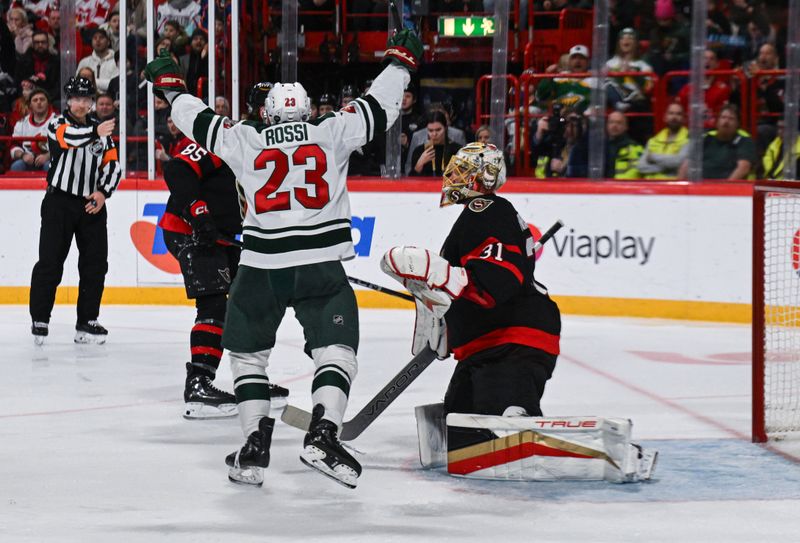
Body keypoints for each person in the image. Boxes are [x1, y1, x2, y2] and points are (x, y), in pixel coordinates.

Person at [143, 28, 423, 488]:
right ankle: (324, 433)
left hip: (259, 266)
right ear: (309, 109)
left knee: (248, 359)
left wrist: (172, 85)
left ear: (268, 112)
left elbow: (198, 121)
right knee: (336, 351)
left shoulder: (246, 139)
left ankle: (255, 444)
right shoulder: (332, 130)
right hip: (319, 265)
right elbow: (380, 106)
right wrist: (399, 64)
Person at [381, 142, 560, 418]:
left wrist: (442, 275)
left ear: (485, 175)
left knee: (503, 427)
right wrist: (449, 326)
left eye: (463, 170)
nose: (453, 176)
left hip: (512, 342)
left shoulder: (487, 208)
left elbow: (496, 281)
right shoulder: (479, 214)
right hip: (486, 345)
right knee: (458, 428)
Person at [159, 85, 290, 419]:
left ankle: (251, 381)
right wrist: (199, 212)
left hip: (227, 236)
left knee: (250, 303)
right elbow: (176, 169)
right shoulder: (232, 135)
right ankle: (199, 385)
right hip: (191, 230)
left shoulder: (281, 146)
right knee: (215, 302)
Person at [29, 76, 120, 345]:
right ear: (68, 101)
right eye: (76, 99)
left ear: (92, 102)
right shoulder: (58, 123)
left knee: (95, 265)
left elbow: (113, 164)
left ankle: (87, 320)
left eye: (86, 99)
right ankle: (40, 318)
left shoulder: (100, 130)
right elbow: (69, 139)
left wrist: (103, 192)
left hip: (91, 205)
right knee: (50, 262)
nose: (81, 104)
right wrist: (97, 132)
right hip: (59, 203)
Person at [678, 104, 757, 180]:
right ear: (717, 121)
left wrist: (725, 188)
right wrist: (679, 187)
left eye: (731, 118)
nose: (726, 121)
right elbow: (687, 164)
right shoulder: (706, 140)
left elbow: (743, 168)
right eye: (723, 117)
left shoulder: (744, 142)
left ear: (737, 124)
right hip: (700, 187)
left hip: (728, 188)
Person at [637, 102, 689, 179]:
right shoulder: (653, 140)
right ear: (665, 117)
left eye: (678, 114)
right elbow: (641, 167)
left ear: (684, 118)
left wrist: (652, 157)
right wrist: (669, 168)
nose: (674, 117)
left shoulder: (689, 139)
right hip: (650, 186)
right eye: (671, 113)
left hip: (673, 187)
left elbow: (678, 162)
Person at [10, 87, 56, 172]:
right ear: (30, 105)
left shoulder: (59, 121)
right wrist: (23, 155)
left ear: (48, 103)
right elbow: (14, 146)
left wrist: (47, 156)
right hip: (28, 161)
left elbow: (65, 146)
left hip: (51, 159)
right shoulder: (21, 123)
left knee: (49, 166)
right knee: (16, 166)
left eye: (42, 99)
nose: (39, 102)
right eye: (35, 100)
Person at [409, 110, 461, 177]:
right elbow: (411, 180)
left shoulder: (457, 150)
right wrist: (419, 165)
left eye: (438, 130)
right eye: (430, 130)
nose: (434, 134)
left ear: (446, 128)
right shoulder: (419, 151)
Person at [75, 28, 118, 94]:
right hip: (87, 98)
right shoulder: (84, 62)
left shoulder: (116, 61)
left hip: (108, 99)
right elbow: (78, 83)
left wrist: (92, 82)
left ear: (108, 42)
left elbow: (114, 84)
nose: (98, 40)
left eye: (101, 37)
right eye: (95, 38)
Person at [604, 111, 643, 179]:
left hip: (623, 186)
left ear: (626, 127)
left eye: (619, 123)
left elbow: (636, 171)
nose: (614, 125)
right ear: (607, 125)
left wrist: (616, 184)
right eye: (611, 122)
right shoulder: (600, 146)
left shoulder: (635, 147)